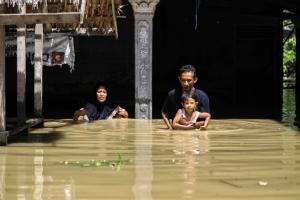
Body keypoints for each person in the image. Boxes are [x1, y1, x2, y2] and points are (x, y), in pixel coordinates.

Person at [161, 64, 210, 129]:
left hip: (195, 133)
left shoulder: (202, 96)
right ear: (179, 79)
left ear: (195, 80)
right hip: (177, 133)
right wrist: (170, 128)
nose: (186, 83)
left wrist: (191, 126)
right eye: (183, 80)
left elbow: (205, 119)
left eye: (189, 80)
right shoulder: (172, 94)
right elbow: (164, 112)